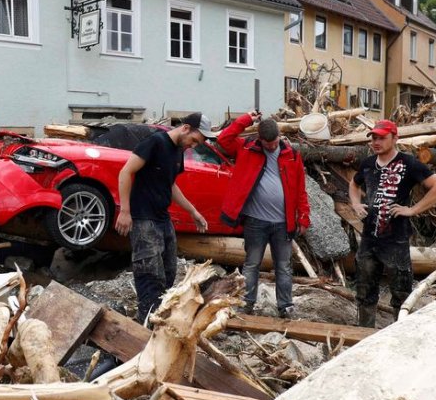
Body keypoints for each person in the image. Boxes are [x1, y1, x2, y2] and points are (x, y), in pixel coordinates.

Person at [115, 112, 214, 324]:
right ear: (186, 128)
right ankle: (146, 326)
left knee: (169, 274)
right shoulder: (155, 142)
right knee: (150, 278)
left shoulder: (178, 151)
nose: (193, 146)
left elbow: (170, 184)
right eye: (194, 140)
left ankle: (160, 320)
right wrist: (125, 211)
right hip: (144, 220)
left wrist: (192, 211)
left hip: (163, 219)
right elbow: (125, 172)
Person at [349, 119, 436, 327]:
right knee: (364, 289)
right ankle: (364, 333)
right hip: (369, 238)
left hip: (396, 239)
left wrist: (412, 210)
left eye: (382, 138)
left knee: (401, 291)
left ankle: (400, 332)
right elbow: (354, 183)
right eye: (374, 138)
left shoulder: (408, 163)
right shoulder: (368, 164)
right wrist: (356, 204)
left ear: (395, 138)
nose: (376, 142)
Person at [217, 110, 310, 319]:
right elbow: (223, 139)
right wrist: (246, 119)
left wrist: (303, 215)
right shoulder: (246, 148)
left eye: (274, 142)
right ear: (259, 139)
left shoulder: (292, 155)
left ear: (279, 136)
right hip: (255, 221)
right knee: (251, 264)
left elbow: (300, 189)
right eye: (267, 144)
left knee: (284, 267)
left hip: (283, 223)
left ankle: (285, 307)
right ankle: (246, 304)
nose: (271, 146)